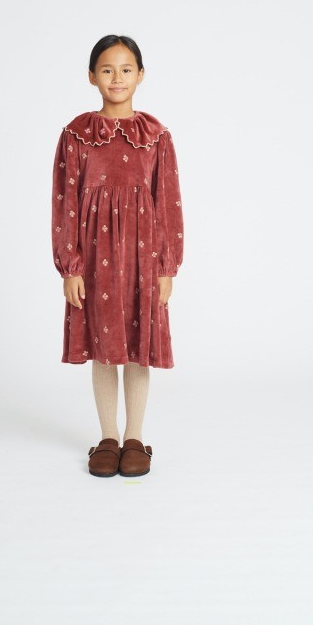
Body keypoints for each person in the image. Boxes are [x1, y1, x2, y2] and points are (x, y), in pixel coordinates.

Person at [51, 34, 184, 478]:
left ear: (141, 75)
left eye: (126, 69)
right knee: (104, 348)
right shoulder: (76, 135)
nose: (117, 78)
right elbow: (65, 202)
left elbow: (168, 202)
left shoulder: (157, 136)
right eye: (107, 69)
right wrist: (70, 266)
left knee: (138, 349)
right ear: (92, 76)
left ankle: (134, 438)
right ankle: (107, 437)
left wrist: (167, 266)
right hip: (94, 257)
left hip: (144, 256)